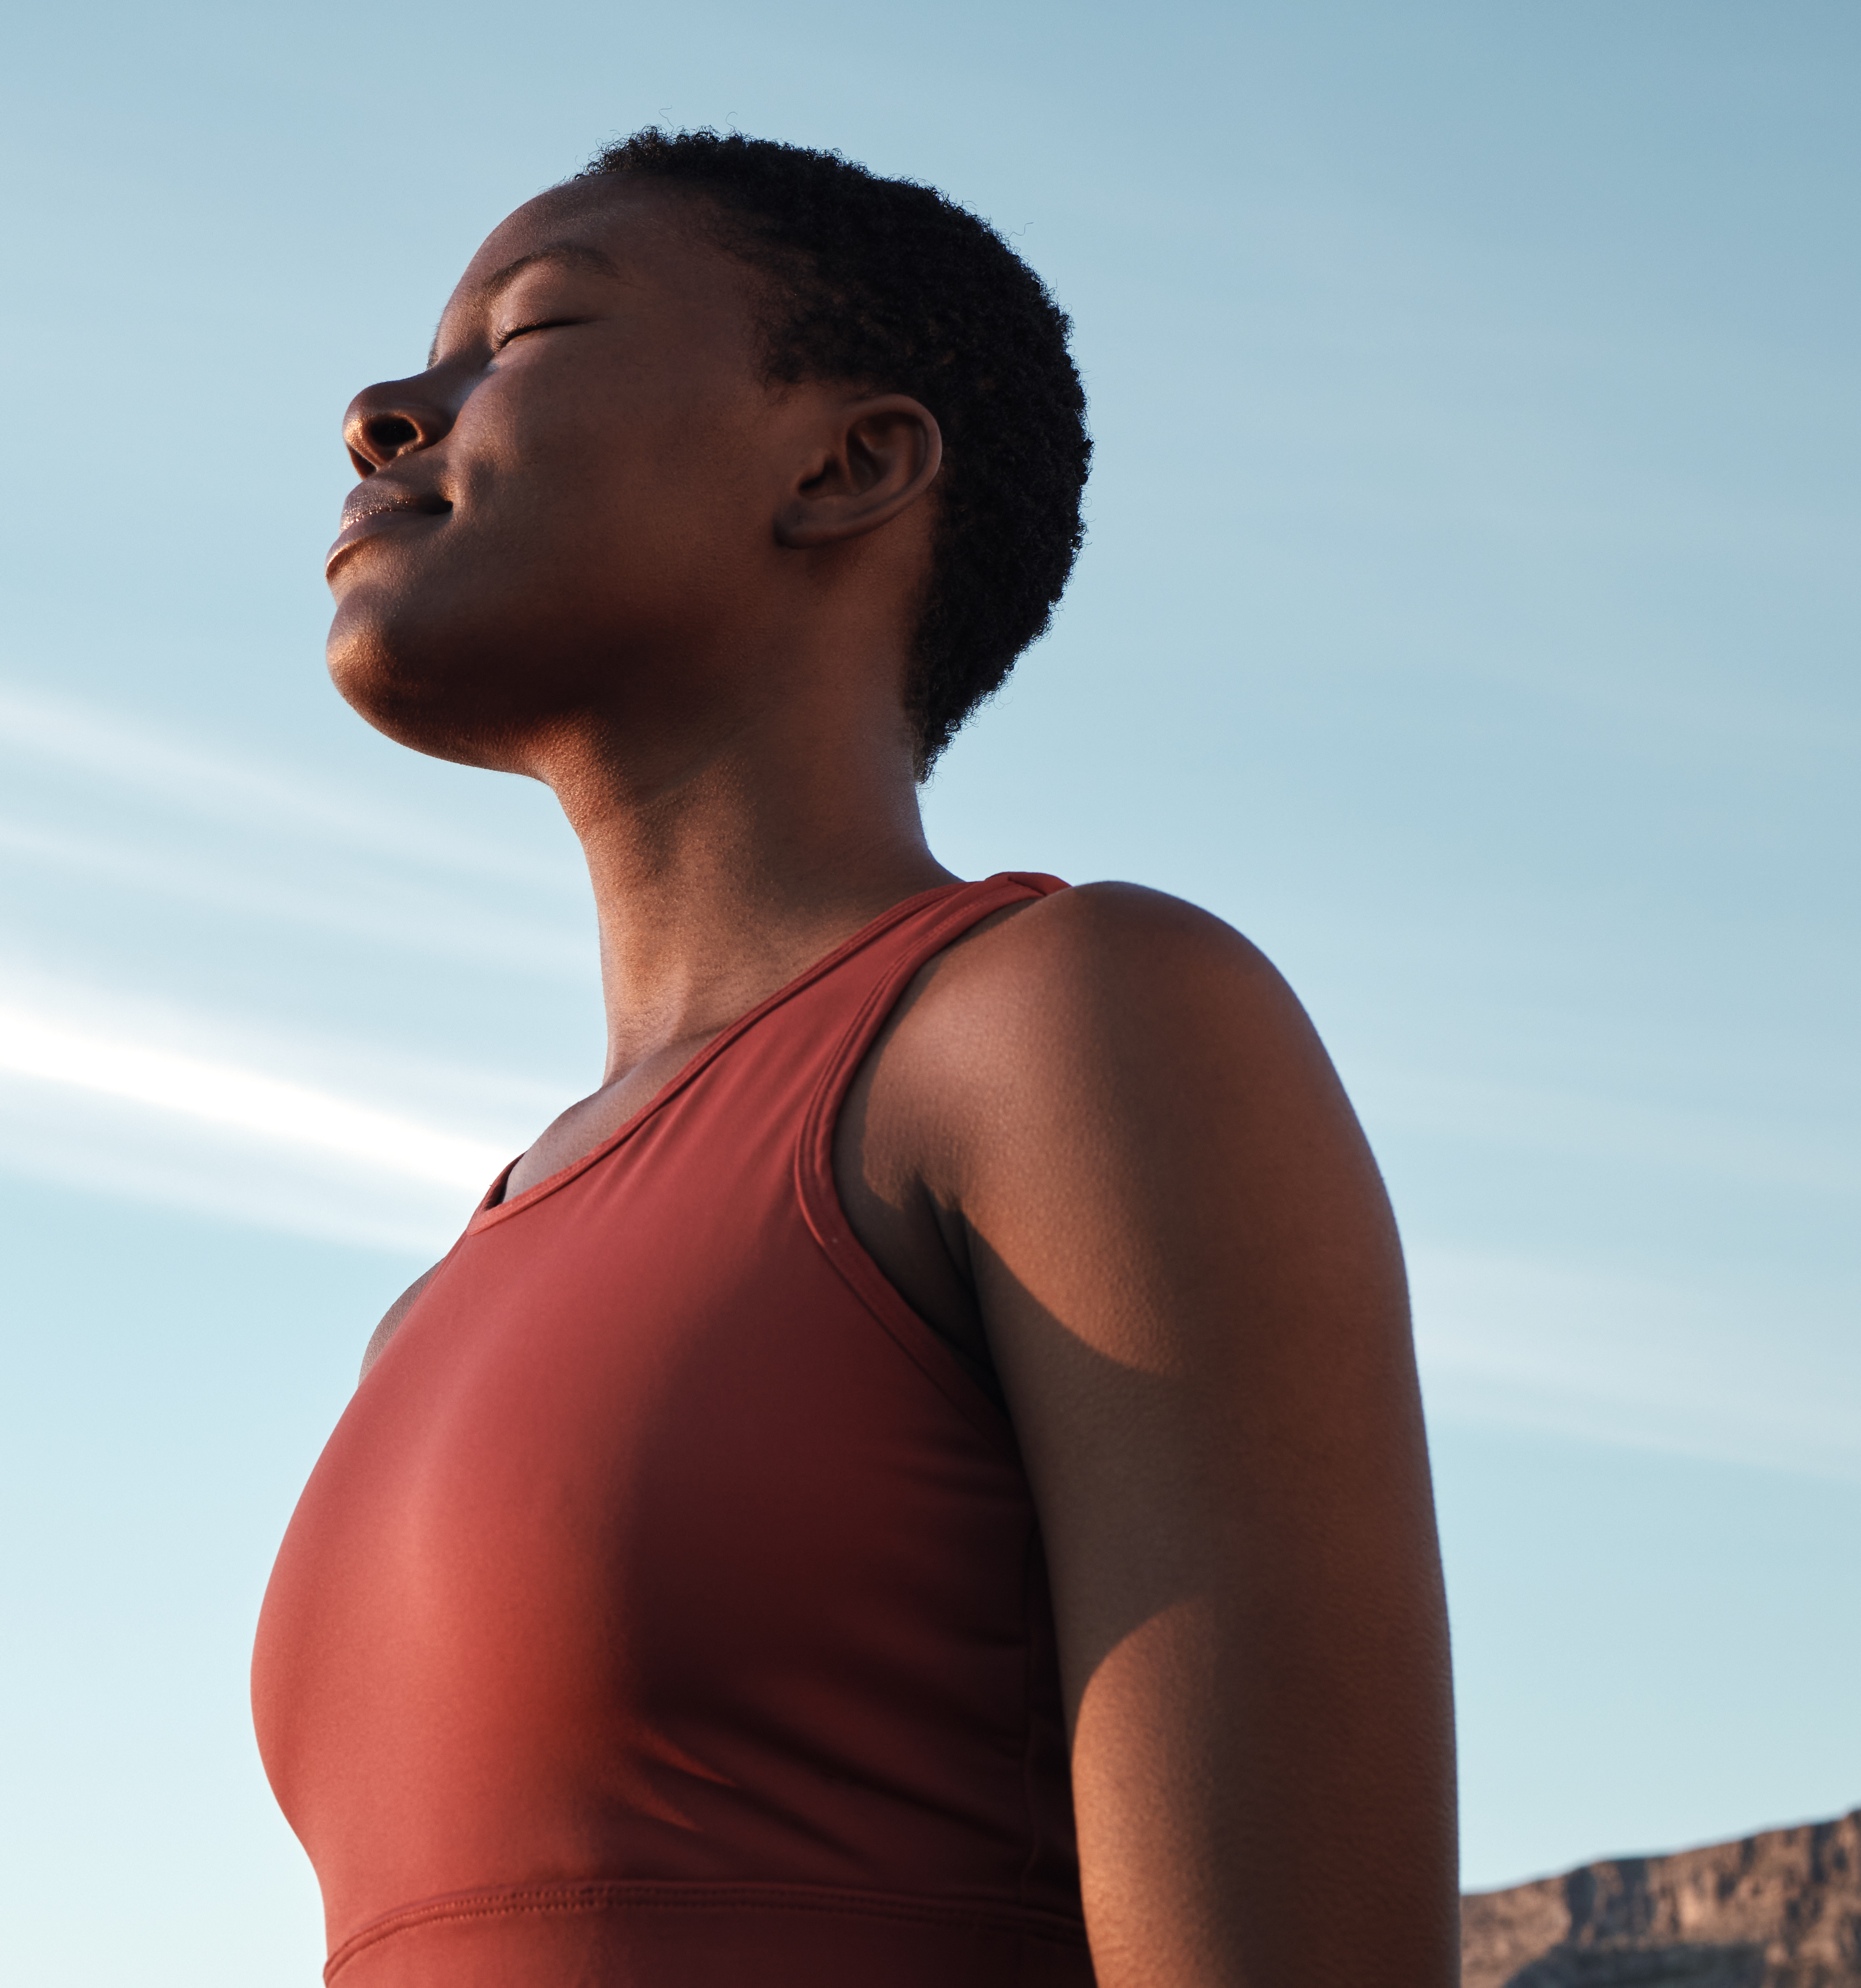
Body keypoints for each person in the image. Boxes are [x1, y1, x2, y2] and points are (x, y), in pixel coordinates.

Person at [248, 132, 1456, 1987]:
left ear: (846, 463)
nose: (385, 412)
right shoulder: (435, 1302)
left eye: (531, 328)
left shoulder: (1072, 1024)